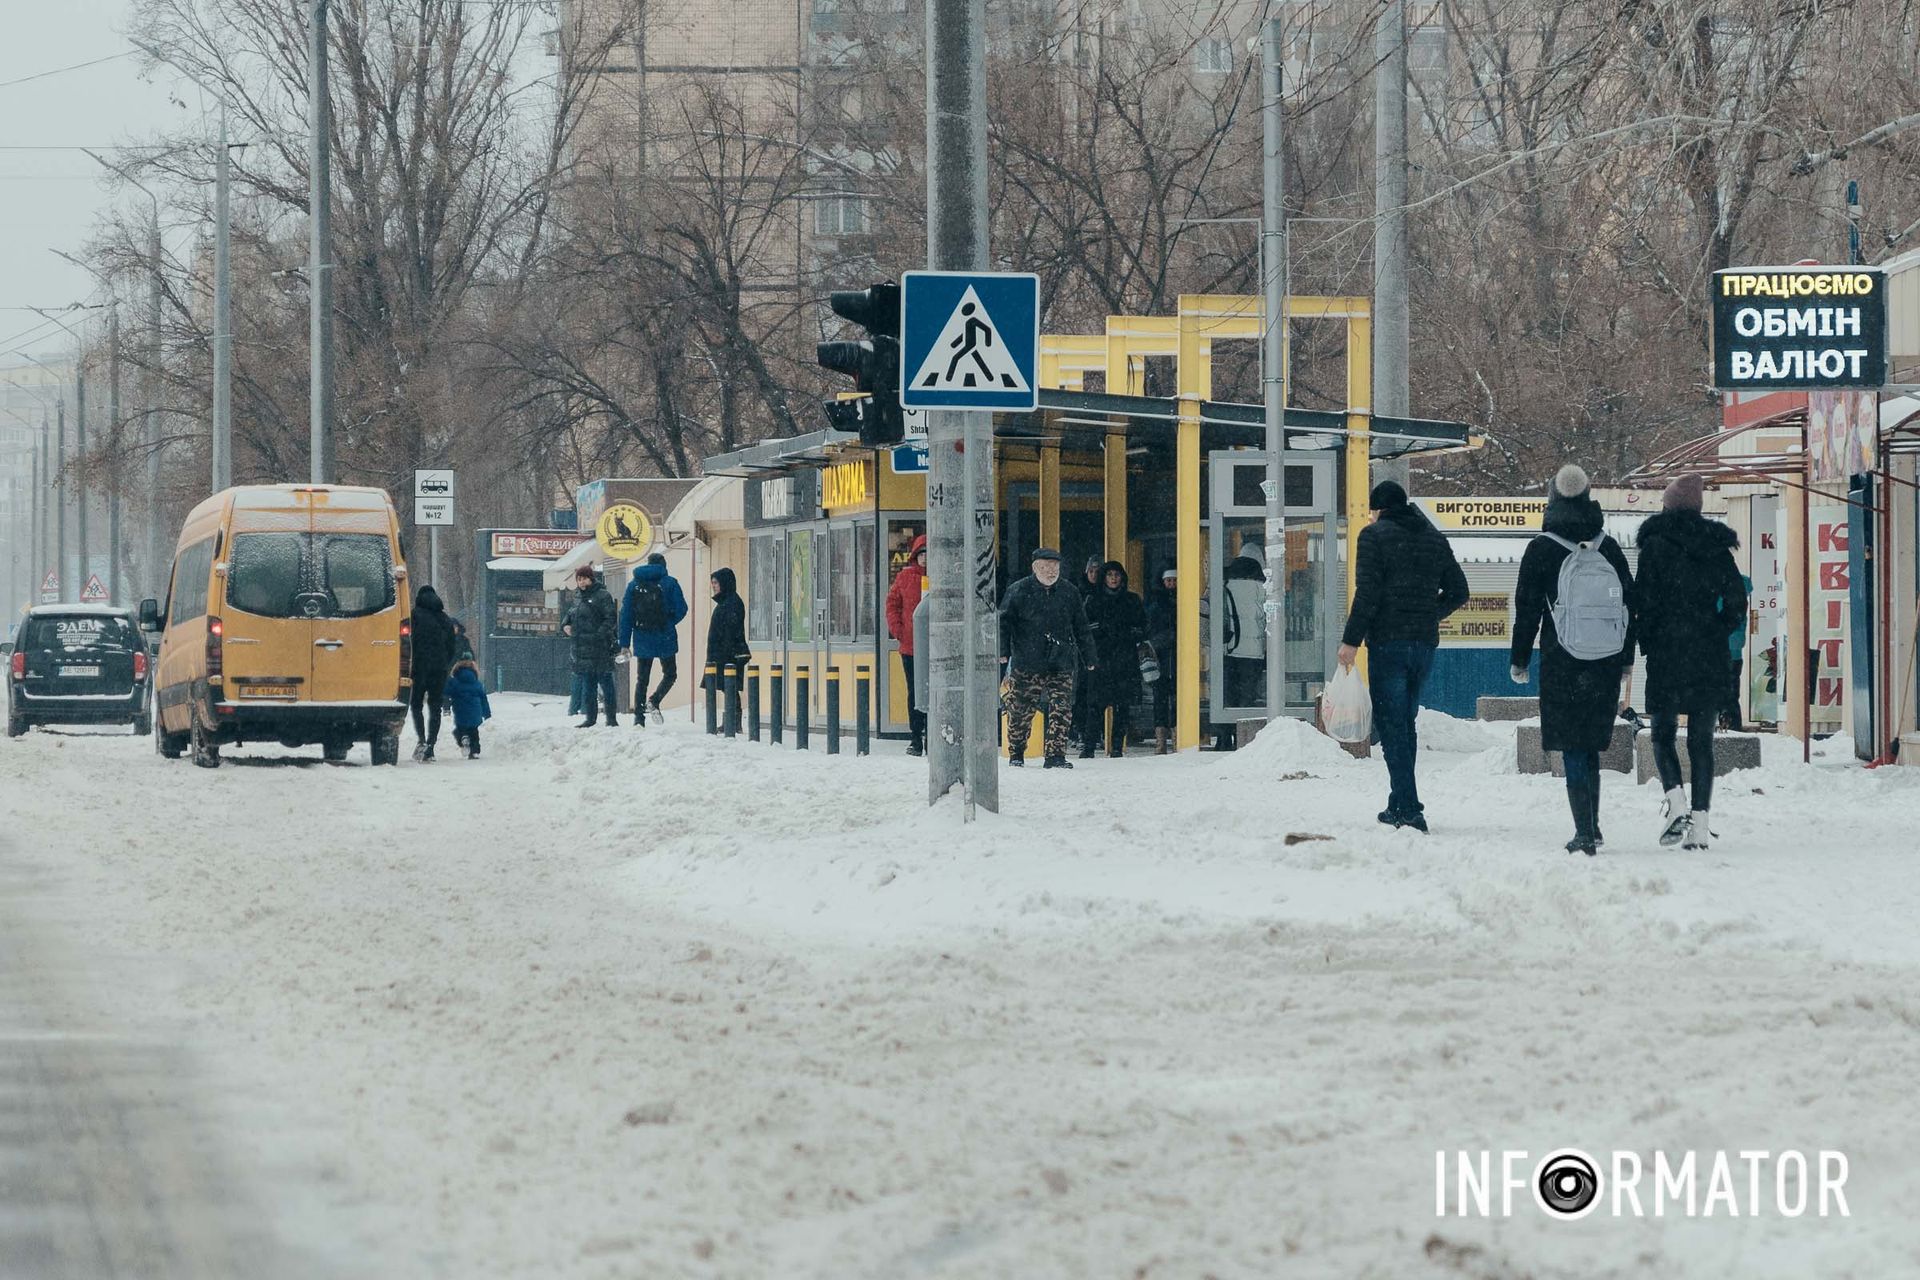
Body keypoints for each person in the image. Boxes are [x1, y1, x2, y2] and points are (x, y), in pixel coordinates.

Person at [1509, 465, 1636, 856]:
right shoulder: (1608, 546)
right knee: (1592, 744)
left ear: (1553, 499)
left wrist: (1520, 659)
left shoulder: (1541, 548)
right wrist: (1626, 659)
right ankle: (1592, 826)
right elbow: (1630, 605)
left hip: (1562, 658)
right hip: (1606, 662)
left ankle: (1584, 831)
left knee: (1572, 745)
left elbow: (1527, 609)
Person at [1336, 480, 1470, 832]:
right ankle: (1398, 803)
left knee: (1392, 725)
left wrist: (1350, 641)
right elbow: (1460, 591)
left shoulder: (1374, 536)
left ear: (1379, 509)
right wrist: (1428, 614)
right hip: (1423, 645)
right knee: (1403, 723)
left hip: (1388, 644)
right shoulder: (1434, 538)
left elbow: (1367, 593)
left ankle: (1410, 808)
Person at [1634, 473, 1746, 851]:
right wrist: (1714, 629)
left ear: (1667, 505)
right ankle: (1699, 828)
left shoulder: (1654, 546)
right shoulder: (1717, 547)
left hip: (1667, 653)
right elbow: (1735, 603)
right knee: (1702, 742)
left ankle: (1676, 802)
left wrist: (1649, 640)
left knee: (1662, 734)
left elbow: (1642, 602)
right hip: (1707, 654)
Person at [999, 547, 1095, 768]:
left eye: (1055, 567)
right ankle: (1017, 752)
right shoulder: (1019, 590)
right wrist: (1003, 651)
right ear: (1035, 568)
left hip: (1061, 660)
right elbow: (1004, 623)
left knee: (1062, 709)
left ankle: (1056, 755)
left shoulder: (1069, 592)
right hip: (1027, 660)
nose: (1051, 571)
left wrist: (1089, 656)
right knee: (1021, 710)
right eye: (1046, 567)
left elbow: (1081, 626)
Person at [1081, 560, 1146, 757]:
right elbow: (1086, 628)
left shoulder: (1132, 600)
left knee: (1122, 706)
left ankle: (1117, 747)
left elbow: (1142, 626)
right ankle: (1089, 746)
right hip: (1101, 659)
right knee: (1095, 707)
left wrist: (1128, 633)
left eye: (1117, 575)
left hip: (1124, 659)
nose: (1113, 579)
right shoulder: (1093, 600)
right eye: (1109, 575)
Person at [619, 552, 689, 727]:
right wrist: (668, 622)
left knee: (642, 679)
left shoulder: (634, 585)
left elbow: (626, 615)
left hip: (642, 637)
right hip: (665, 636)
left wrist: (624, 644)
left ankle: (638, 718)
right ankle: (655, 699)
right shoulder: (670, 583)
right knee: (670, 674)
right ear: (663, 565)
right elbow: (682, 608)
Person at [885, 534, 928, 755]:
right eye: (922, 554)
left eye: (928, 554)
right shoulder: (905, 577)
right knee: (915, 691)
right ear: (915, 556)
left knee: (935, 692)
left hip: (936, 647)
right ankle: (916, 737)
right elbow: (892, 605)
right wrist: (899, 631)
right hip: (911, 647)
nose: (925, 559)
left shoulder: (943, 576)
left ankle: (932, 736)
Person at [563, 565, 620, 727]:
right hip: (581, 648)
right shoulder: (577, 597)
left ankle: (611, 718)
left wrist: (599, 635)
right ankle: (590, 718)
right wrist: (565, 625)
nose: (581, 582)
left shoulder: (602, 595)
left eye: (584, 578)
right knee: (588, 686)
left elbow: (610, 619)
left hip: (599, 648)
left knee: (606, 682)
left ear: (591, 578)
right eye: (579, 579)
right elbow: (569, 616)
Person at [409, 585, 459, 761]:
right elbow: (452, 646)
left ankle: (421, 740)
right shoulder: (445, 619)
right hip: (439, 669)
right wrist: (444, 662)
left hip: (419, 667)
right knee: (435, 706)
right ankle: (431, 745)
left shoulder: (414, 616)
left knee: (416, 704)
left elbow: (409, 641)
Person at [703, 567, 751, 728]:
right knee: (727, 686)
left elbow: (731, 629)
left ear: (725, 583)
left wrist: (725, 650)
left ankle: (733, 721)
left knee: (729, 686)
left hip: (727, 652)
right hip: (722, 652)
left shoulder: (731, 603)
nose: (714, 586)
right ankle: (732, 720)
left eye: (716, 583)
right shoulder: (726, 602)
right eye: (712, 583)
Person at [1144, 567, 1178, 754]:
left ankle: (1172, 738)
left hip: (1170, 655)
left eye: (1174, 580)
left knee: (1171, 697)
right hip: (1163, 655)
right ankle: (1162, 741)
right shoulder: (1157, 603)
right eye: (1169, 581)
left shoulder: (1155, 602)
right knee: (1161, 697)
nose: (1171, 584)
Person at [444, 658, 493, 759]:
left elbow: (446, 693)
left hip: (460, 709)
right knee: (474, 731)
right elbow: (483, 699)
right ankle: (474, 751)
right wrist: (487, 714)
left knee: (460, 729)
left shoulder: (454, 682)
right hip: (475, 710)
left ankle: (463, 738)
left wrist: (446, 705)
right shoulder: (477, 683)